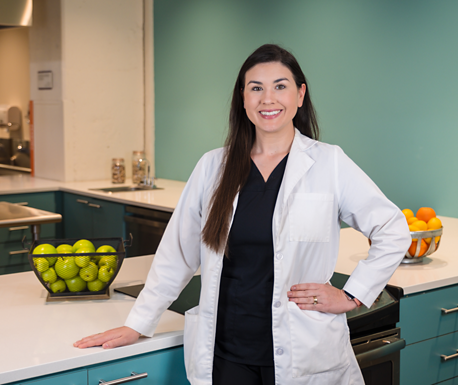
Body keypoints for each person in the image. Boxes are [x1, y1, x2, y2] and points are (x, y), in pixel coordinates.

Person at [74, 44, 411, 385]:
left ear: (300, 94)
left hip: (305, 352)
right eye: (256, 88)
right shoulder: (213, 167)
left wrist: (352, 295)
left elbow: (393, 229)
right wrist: (138, 323)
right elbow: (177, 253)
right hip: (228, 354)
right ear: (243, 98)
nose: (268, 99)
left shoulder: (329, 163)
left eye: (280, 86)